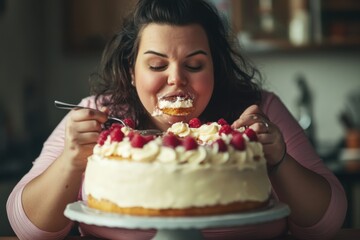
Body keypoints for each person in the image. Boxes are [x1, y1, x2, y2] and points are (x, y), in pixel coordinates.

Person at [7, 0, 346, 239]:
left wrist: (279, 161)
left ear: (216, 67)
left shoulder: (259, 113)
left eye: (195, 65)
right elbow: (28, 229)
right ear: (131, 69)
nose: (176, 79)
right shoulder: (97, 113)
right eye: (157, 65)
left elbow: (327, 224)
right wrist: (70, 161)